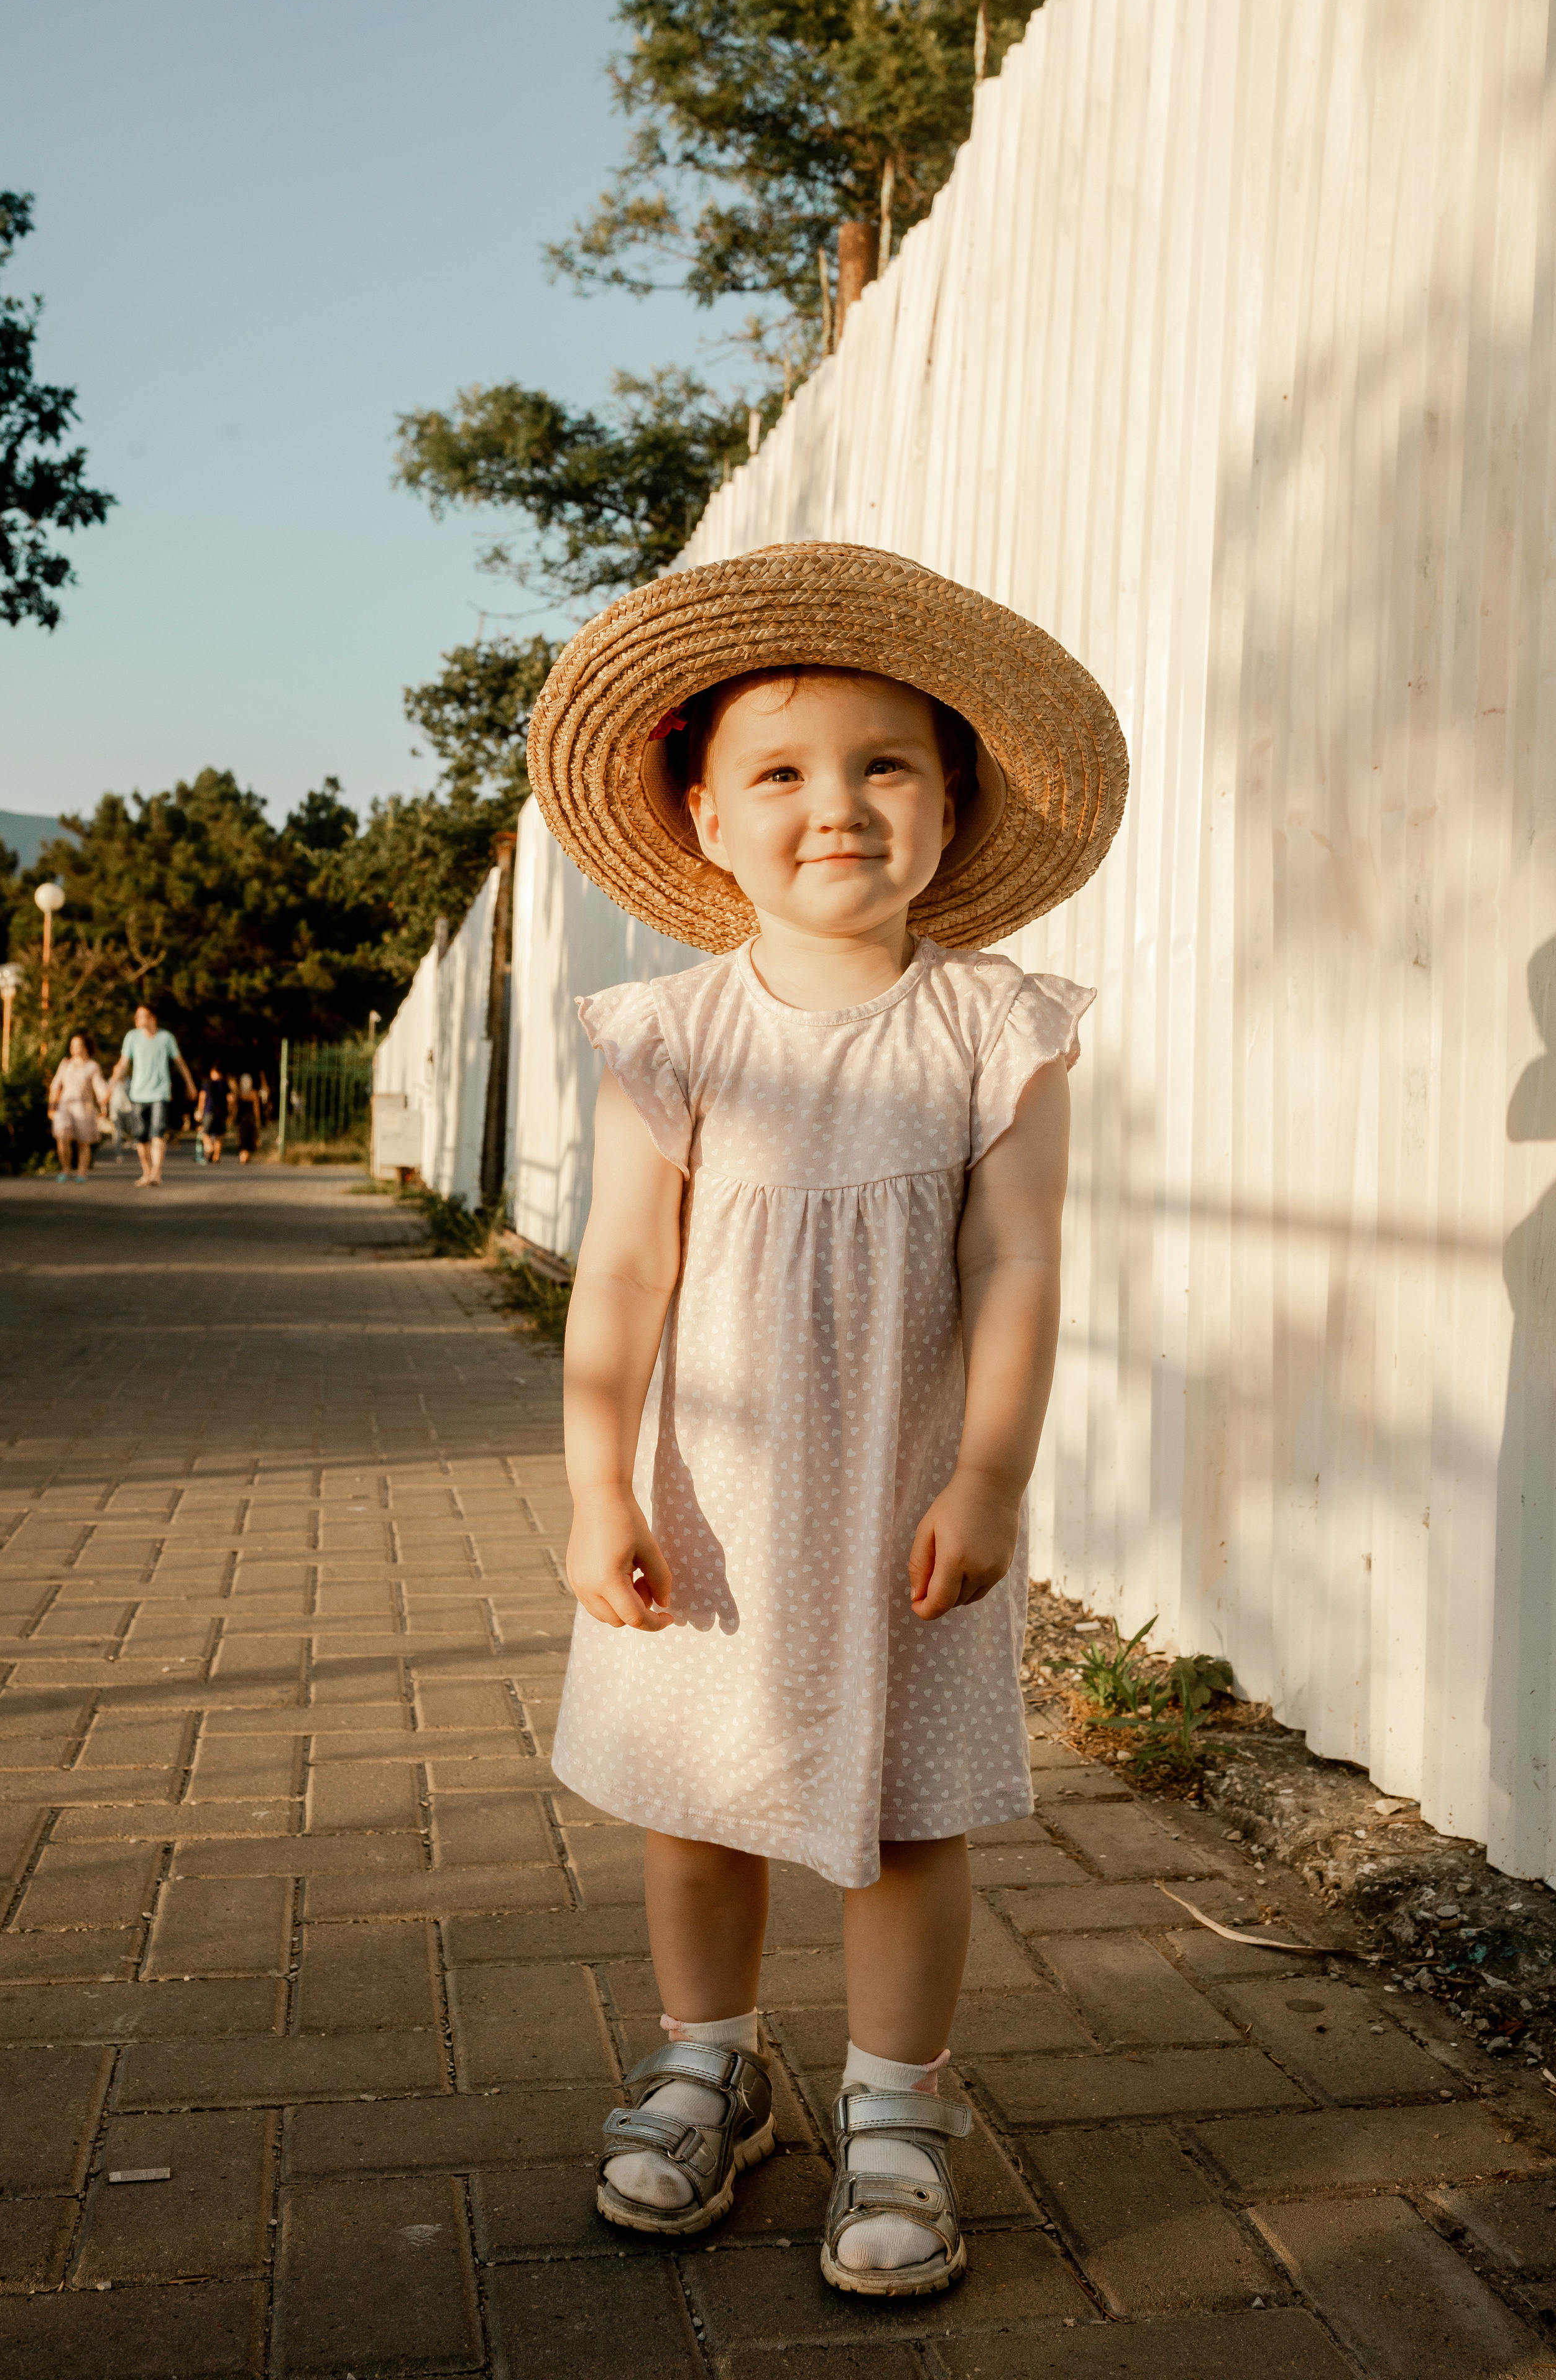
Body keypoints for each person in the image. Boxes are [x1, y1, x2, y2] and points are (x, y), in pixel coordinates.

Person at [533, 545, 1124, 2295]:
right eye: (780, 772)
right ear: (706, 820)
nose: (837, 805)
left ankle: (898, 2104)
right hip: (709, 1496)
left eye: (884, 766)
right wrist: (593, 1483)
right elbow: (624, 1276)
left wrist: (992, 1472)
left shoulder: (994, 1026)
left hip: (898, 1496)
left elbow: (1019, 1264)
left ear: (949, 805)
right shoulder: (673, 1031)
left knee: (907, 1808)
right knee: (697, 1798)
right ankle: (710, 2064)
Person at [108, 1005, 196, 1188]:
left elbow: (179, 1062)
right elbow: (123, 1064)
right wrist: (110, 1087)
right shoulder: (132, 1038)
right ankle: (146, 1172)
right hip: (138, 1094)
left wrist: (190, 1084)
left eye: (142, 1016)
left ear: (153, 1018)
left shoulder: (166, 1038)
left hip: (160, 1093)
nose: (138, 1020)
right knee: (140, 1136)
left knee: (158, 1131)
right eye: (137, 1016)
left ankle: (156, 1172)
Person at [47, 1032, 108, 1180]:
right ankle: (66, 1169)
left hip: (84, 1107)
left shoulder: (93, 1066)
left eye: (77, 1045)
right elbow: (56, 1086)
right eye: (72, 1045)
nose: (74, 1048)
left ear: (85, 1047)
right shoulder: (65, 1064)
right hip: (65, 1106)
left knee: (83, 1141)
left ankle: (82, 1172)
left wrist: (104, 1103)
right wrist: (52, 1107)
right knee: (62, 1136)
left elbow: (99, 1087)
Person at [196, 1063, 230, 1164]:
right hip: (222, 1112)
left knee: (204, 1132)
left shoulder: (207, 1084)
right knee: (220, 1135)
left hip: (209, 1111)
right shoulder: (225, 1084)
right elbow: (230, 1099)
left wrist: (200, 1112)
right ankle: (216, 1156)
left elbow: (202, 1098)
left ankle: (210, 1147)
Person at [233, 1071, 263, 1163]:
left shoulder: (239, 1093)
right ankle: (245, 1157)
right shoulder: (253, 1093)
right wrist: (258, 1120)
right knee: (249, 1137)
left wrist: (233, 1117)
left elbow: (235, 1106)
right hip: (250, 1118)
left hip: (241, 1118)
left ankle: (243, 1156)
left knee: (242, 1138)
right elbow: (256, 1108)